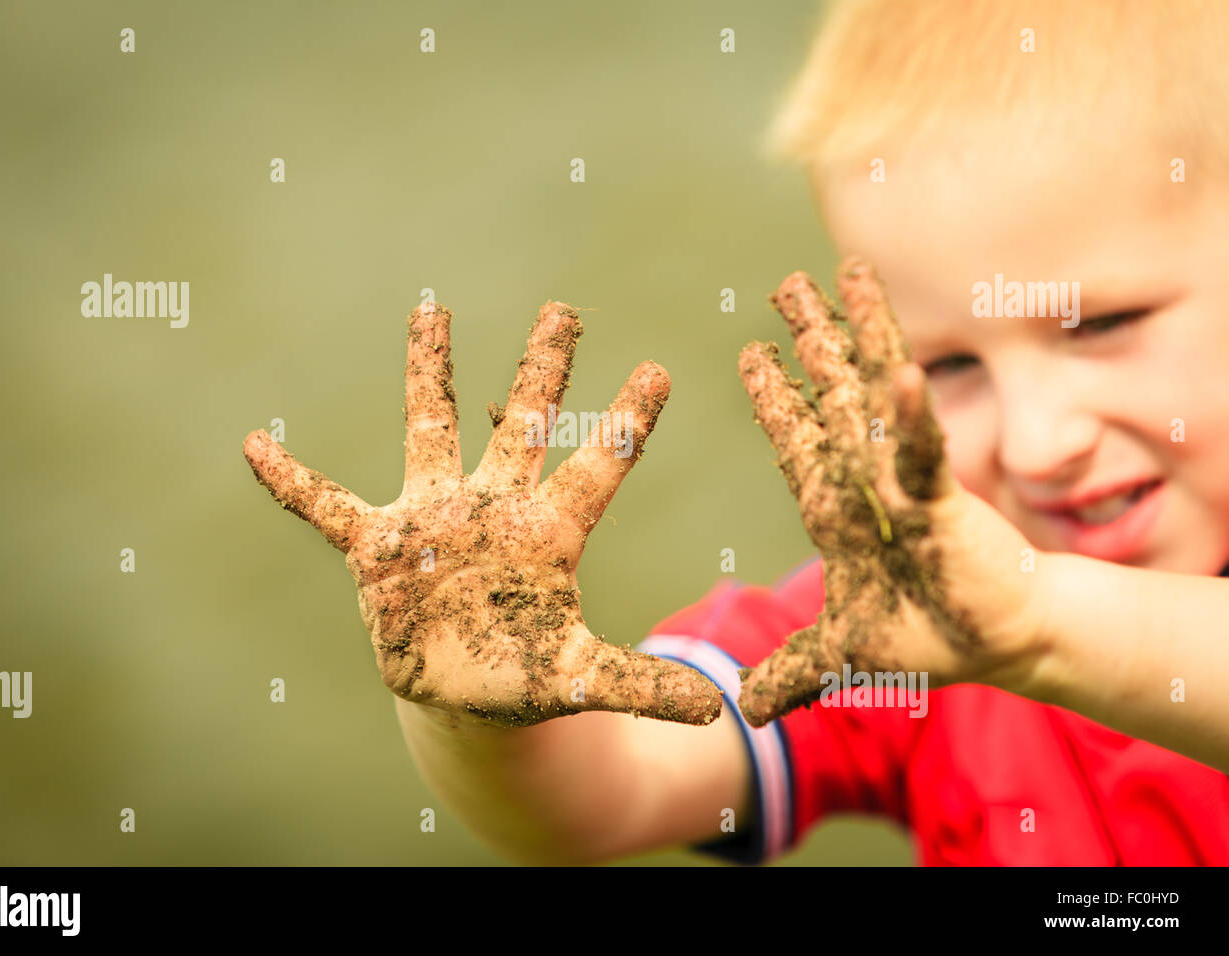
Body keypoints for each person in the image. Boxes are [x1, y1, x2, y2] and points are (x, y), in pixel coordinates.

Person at [243, 0, 1229, 864]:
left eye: (1101, 323)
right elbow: (603, 796)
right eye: (943, 365)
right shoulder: (893, 624)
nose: (1035, 440)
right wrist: (470, 698)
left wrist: (1038, 622)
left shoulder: (996, 615)